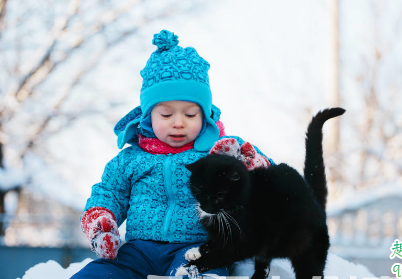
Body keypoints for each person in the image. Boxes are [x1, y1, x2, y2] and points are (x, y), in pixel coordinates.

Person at [71, 30, 274, 279]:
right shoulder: (131, 159)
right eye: (166, 115)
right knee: (97, 274)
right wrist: (102, 222)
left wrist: (249, 163)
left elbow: (269, 180)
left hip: (198, 249)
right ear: (147, 116)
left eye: (190, 115)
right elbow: (109, 193)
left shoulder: (220, 152)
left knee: (197, 273)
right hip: (138, 251)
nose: (178, 123)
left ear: (206, 116)